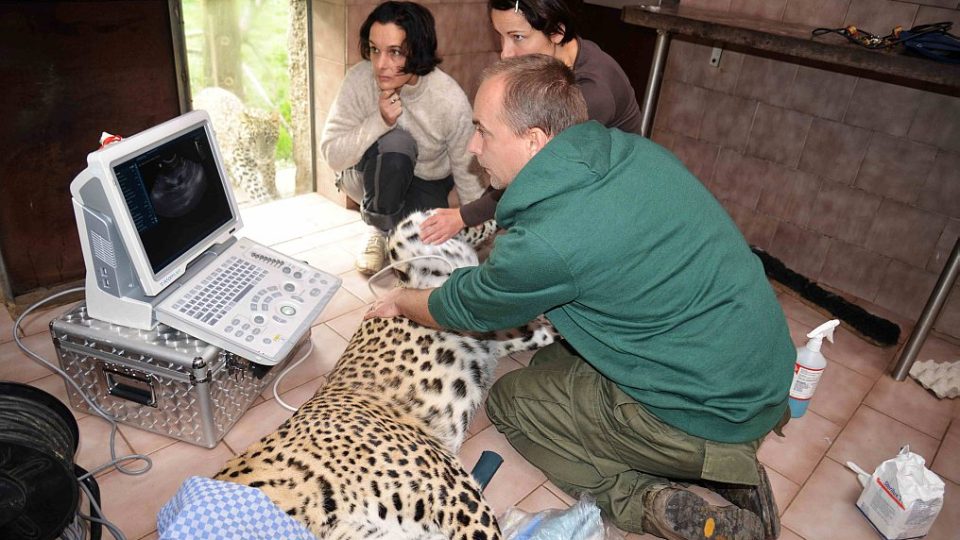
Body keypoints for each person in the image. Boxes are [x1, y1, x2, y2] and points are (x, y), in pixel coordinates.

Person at [366, 55, 794, 540]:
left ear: (534, 140)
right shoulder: (633, 152)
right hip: (763, 374)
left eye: (484, 131)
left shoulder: (549, 240)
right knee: (549, 363)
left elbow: (462, 304)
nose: (473, 146)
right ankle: (723, 469)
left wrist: (403, 298)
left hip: (710, 409)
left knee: (511, 402)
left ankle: (649, 498)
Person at [418, 0, 643, 245]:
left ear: (557, 31)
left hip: (611, 202)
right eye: (500, 36)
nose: (505, 53)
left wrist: (464, 217)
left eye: (517, 37)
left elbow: (531, 172)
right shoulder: (562, 57)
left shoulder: (591, 94)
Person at [321, 1, 484, 275]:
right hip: (365, 178)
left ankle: (397, 230)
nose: (381, 65)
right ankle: (377, 229)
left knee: (424, 260)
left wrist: (474, 227)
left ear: (418, 51)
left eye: (395, 52)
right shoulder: (359, 80)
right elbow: (332, 154)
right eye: (374, 50)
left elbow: (467, 170)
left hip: (426, 182)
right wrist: (380, 122)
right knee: (398, 142)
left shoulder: (448, 99)